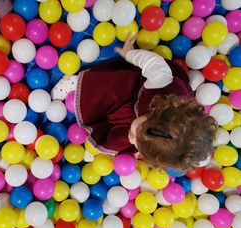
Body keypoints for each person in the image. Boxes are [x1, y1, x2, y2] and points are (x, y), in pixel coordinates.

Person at [51, 34, 217, 171]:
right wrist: (130, 53)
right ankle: (76, 81)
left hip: (148, 119)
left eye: (138, 141)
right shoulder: (162, 81)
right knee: (104, 90)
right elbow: (153, 62)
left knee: (124, 139)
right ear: (157, 114)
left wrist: (198, 155)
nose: (131, 138)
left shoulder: (171, 146)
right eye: (137, 132)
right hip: (133, 92)